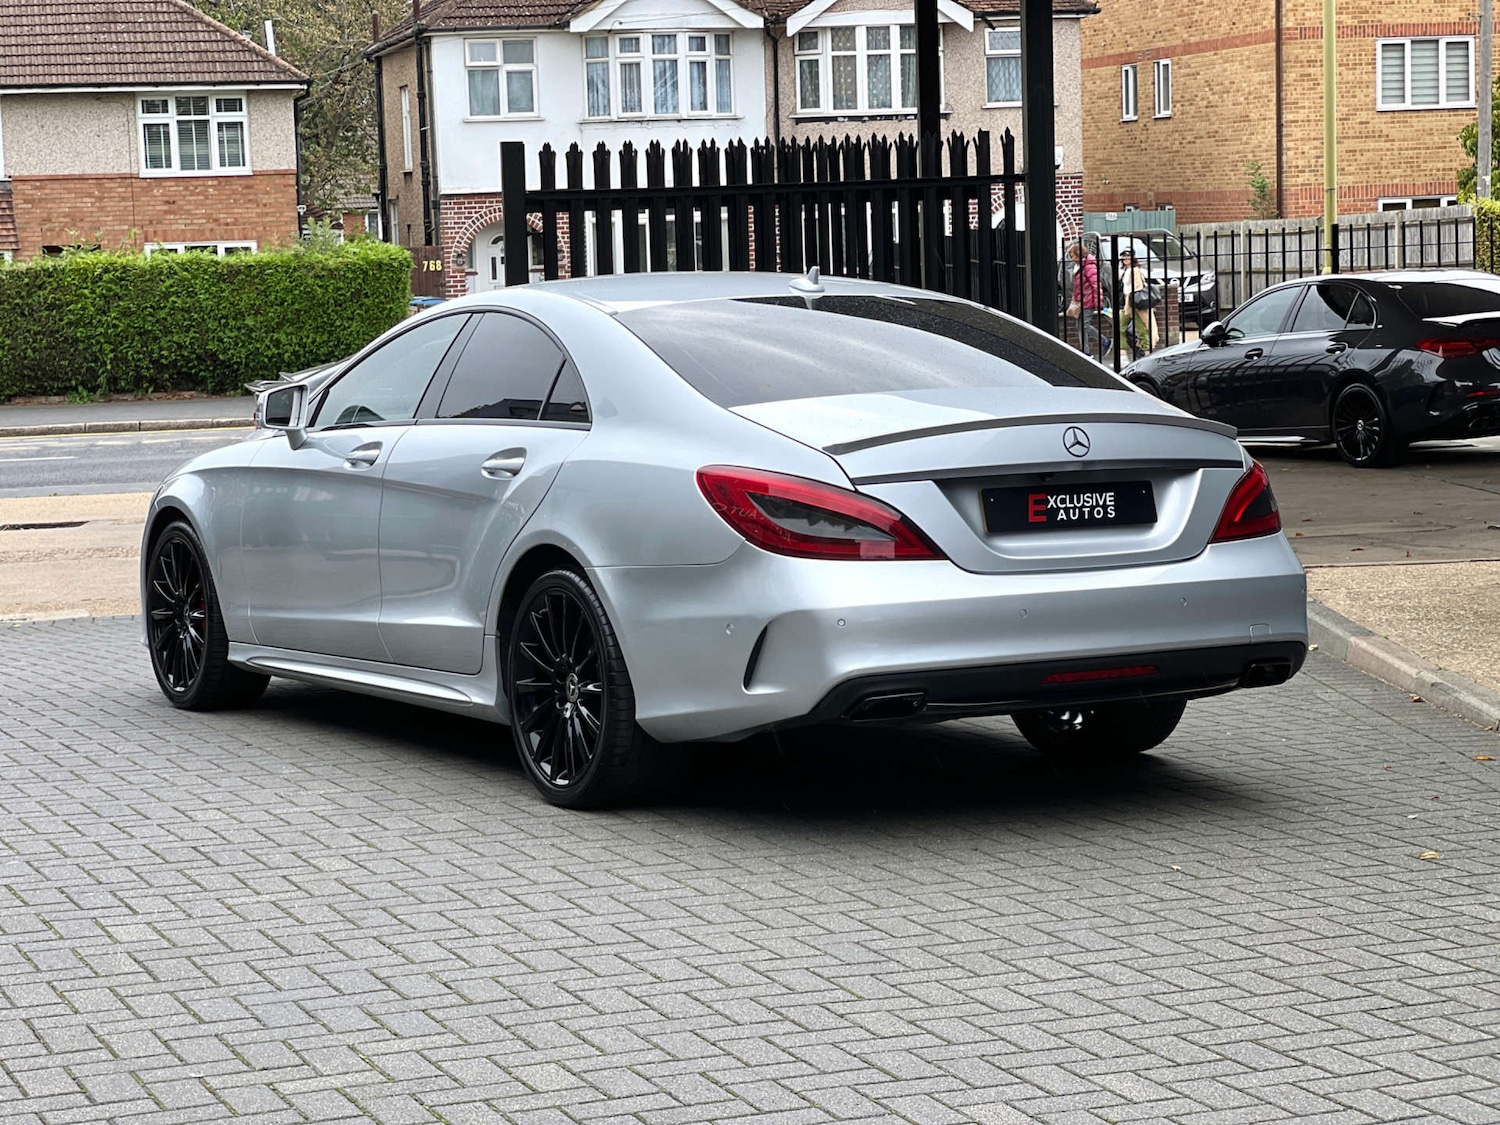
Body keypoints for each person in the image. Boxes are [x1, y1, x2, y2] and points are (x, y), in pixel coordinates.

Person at [1064, 241, 1106, 358]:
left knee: (1084, 326)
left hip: (1088, 301)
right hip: (1081, 300)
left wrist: (1098, 302)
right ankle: (1086, 351)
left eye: (1073, 255)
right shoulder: (1079, 266)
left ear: (1079, 254)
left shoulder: (1089, 266)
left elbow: (1096, 284)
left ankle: (1103, 342)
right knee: (1080, 326)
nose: (1071, 258)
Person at [1118, 249, 1158, 360]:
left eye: (1127, 257)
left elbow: (1137, 287)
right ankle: (1123, 354)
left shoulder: (1135, 270)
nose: (1125, 259)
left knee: (1141, 329)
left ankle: (1147, 352)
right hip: (1127, 302)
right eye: (1123, 257)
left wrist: (1130, 301)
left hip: (1133, 302)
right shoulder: (1126, 270)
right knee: (1121, 327)